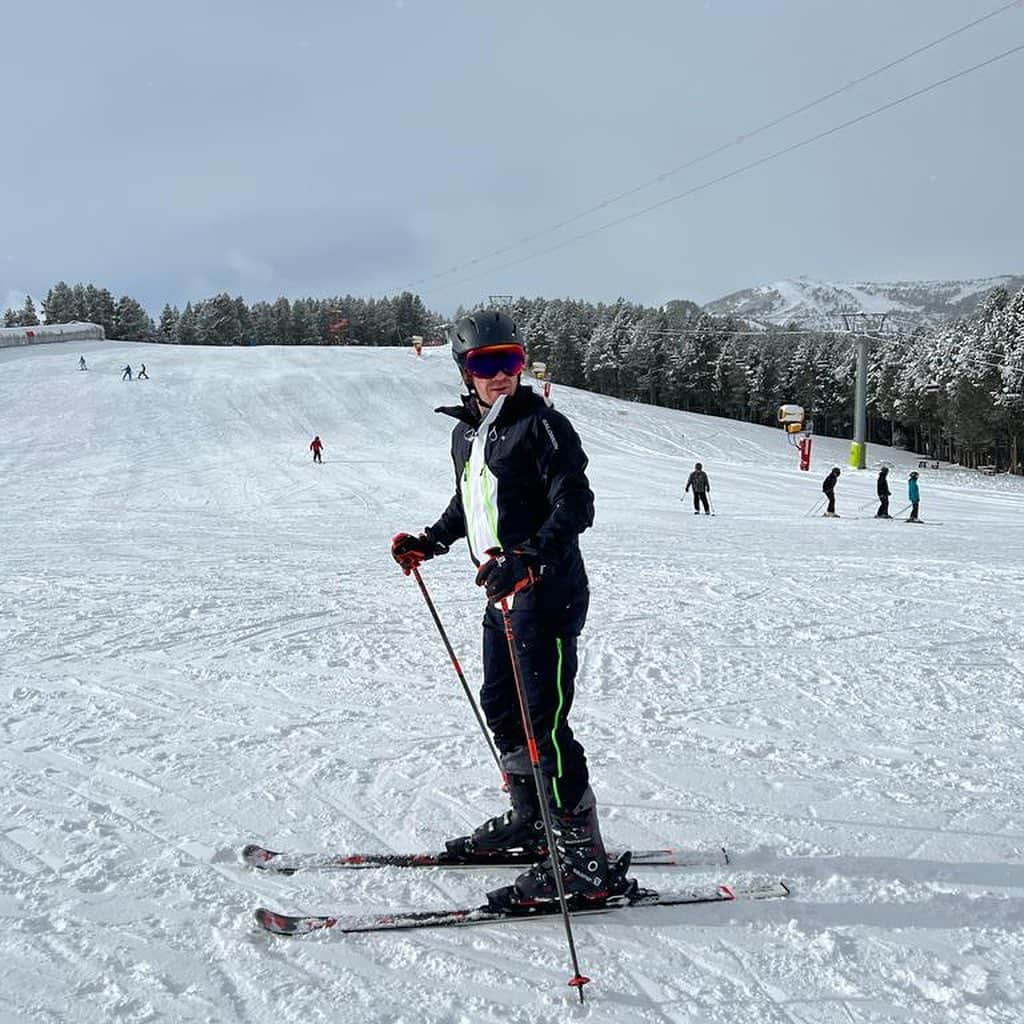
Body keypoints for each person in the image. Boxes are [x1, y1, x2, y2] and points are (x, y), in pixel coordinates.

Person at [390, 309, 629, 909]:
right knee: (502, 706)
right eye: (486, 363)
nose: (501, 375)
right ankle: (532, 820)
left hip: (544, 591)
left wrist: (528, 556)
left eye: (511, 361)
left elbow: (576, 504)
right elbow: (472, 498)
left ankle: (581, 862)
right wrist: (432, 539)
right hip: (501, 594)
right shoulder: (467, 433)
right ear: (465, 369)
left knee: (542, 721)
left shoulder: (542, 425)